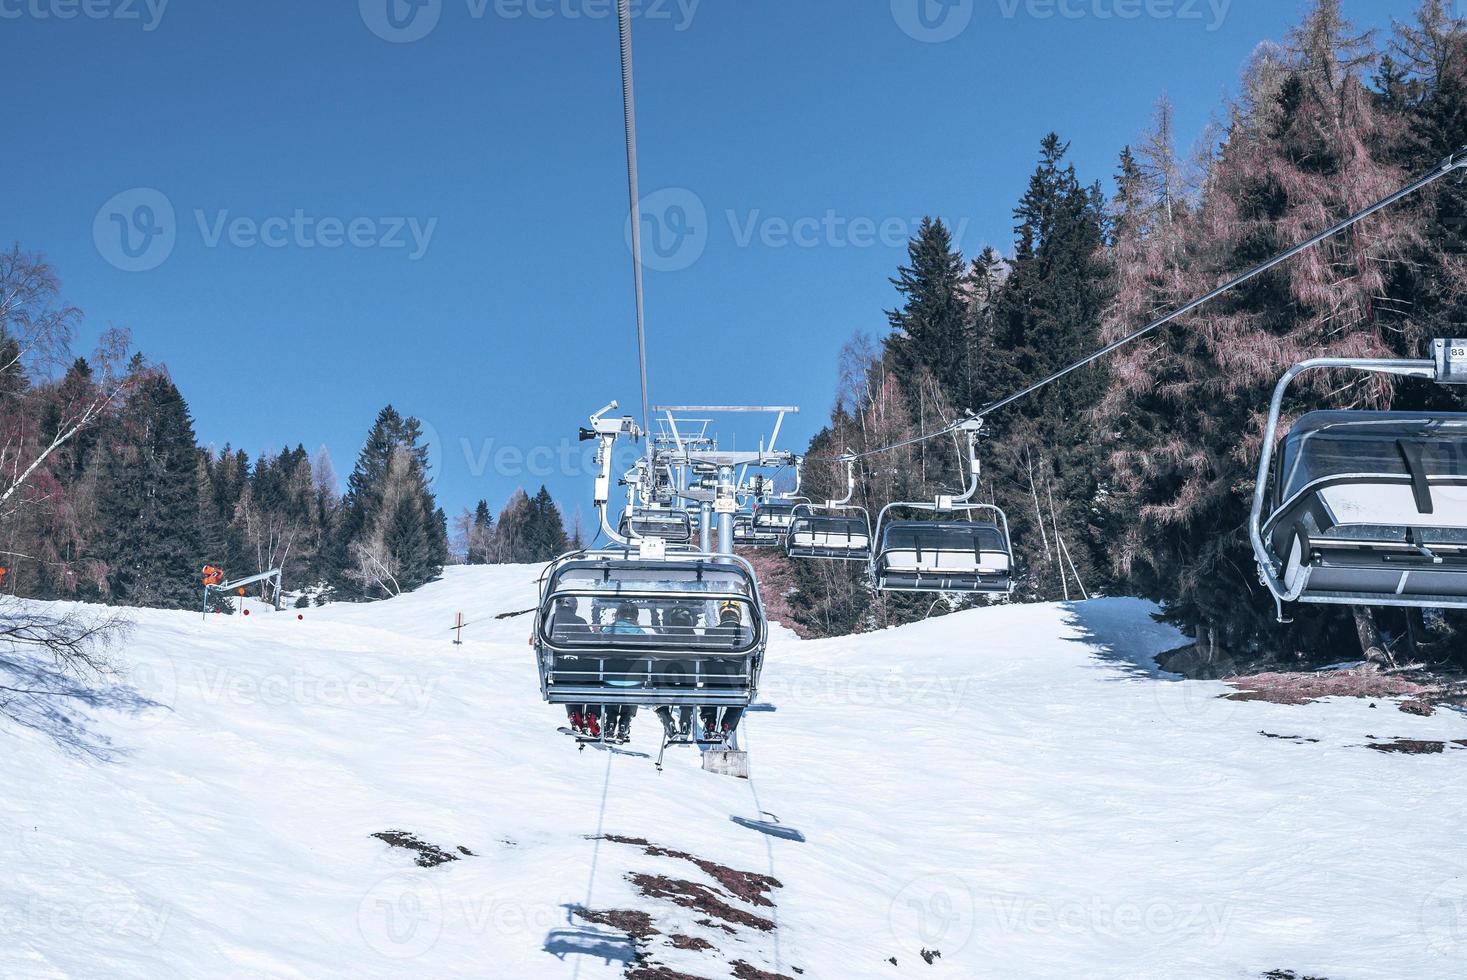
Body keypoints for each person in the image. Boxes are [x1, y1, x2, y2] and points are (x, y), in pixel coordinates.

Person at [700, 601, 748, 740]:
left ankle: (710, 722)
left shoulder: (711, 632)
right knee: (740, 699)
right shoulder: (747, 633)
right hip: (736, 683)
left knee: (709, 688)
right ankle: (727, 725)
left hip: (712, 682)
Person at [600, 601, 644, 742]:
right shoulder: (640, 633)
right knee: (633, 684)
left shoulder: (609, 630)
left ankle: (611, 721)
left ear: (618, 615)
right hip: (633, 681)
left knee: (613, 682)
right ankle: (625, 722)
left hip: (610, 679)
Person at [552, 597, 595, 735]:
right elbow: (590, 643)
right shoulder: (580, 622)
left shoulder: (551, 620)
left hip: (558, 672)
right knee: (597, 682)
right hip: (582, 671)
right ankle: (591, 716)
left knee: (568, 684)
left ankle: (574, 715)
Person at [655, 604, 698, 739]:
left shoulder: (665, 636)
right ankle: (685, 718)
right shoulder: (695, 639)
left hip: (666, 678)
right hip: (688, 679)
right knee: (690, 685)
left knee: (656, 688)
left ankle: (665, 716)